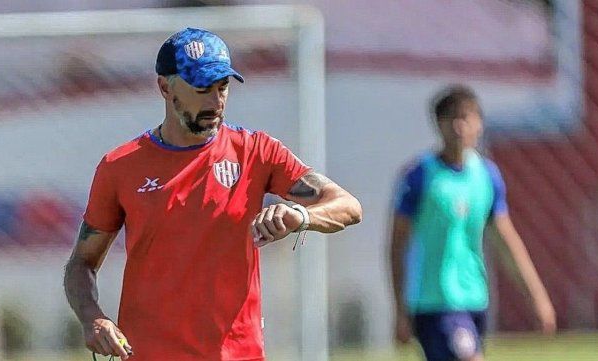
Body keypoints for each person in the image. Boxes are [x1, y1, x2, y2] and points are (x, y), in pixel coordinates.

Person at [63, 28, 362, 361]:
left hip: (238, 354)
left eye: (223, 87)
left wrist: (302, 215)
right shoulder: (119, 166)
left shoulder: (256, 152)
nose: (215, 101)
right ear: (165, 87)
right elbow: (81, 264)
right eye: (202, 88)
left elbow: (348, 206)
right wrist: (93, 320)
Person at [389, 85, 556, 361]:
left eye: (465, 117)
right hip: (434, 302)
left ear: (479, 123)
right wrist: (399, 310)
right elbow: (397, 245)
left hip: (475, 298)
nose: (458, 126)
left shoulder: (486, 176)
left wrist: (537, 297)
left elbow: (506, 242)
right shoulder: (419, 176)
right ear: (438, 125)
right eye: (450, 118)